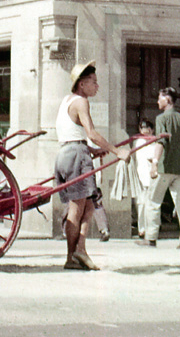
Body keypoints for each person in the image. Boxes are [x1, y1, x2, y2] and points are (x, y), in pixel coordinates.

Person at [55, 60, 129, 271]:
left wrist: (93, 151)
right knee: (78, 208)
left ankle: (81, 250)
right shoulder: (81, 102)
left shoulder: (66, 100)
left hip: (67, 153)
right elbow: (92, 133)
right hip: (76, 156)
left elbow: (73, 134)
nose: (97, 86)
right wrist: (117, 151)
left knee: (88, 206)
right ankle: (72, 255)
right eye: (94, 82)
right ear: (81, 84)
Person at [138, 87, 180, 249]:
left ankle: (151, 237)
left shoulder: (161, 119)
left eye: (160, 98)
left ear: (167, 100)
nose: (157, 101)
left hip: (164, 167)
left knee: (153, 201)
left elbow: (161, 142)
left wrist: (154, 162)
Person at [132, 120, 156, 239]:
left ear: (152, 129)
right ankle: (142, 229)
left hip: (153, 177)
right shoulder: (138, 142)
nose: (144, 130)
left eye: (147, 128)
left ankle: (151, 229)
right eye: (142, 128)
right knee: (141, 204)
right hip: (140, 176)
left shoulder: (155, 143)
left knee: (151, 204)